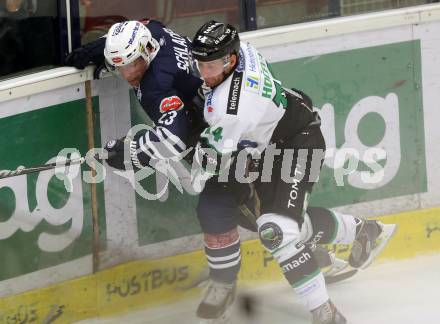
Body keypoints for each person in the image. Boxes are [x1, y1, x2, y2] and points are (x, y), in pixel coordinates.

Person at [189, 20, 397, 324]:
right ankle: (363, 230)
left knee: (276, 231)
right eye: (200, 65)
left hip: (298, 143)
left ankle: (326, 314)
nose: (204, 74)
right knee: (283, 226)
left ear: (230, 60)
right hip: (274, 140)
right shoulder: (242, 50)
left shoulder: (232, 108)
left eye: (210, 67)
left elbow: (208, 159)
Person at [65, 19, 206, 171]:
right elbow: (142, 24)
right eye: (119, 66)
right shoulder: (154, 31)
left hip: (217, 132)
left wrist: (129, 152)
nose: (127, 75)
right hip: (217, 103)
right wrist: (107, 47)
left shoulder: (156, 85)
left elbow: (173, 140)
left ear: (147, 51)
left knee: (220, 189)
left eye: (132, 64)